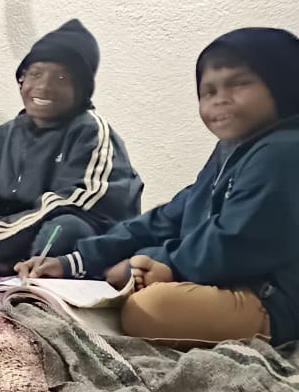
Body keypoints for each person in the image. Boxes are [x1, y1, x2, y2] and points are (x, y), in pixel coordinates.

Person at [18, 28, 299, 346]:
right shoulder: (232, 149)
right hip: (224, 279)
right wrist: (76, 262)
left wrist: (166, 265)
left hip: (273, 300)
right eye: (207, 91)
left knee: (146, 309)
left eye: (239, 84)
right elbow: (169, 217)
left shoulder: (283, 150)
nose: (220, 99)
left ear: (283, 83)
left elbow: (236, 240)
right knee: (125, 287)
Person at [0, 20, 143, 273]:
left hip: (71, 242)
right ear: (21, 79)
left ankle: (1, 265)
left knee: (63, 231)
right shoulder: (3, 134)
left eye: (61, 78)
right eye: (35, 74)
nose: (43, 86)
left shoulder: (92, 131)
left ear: (82, 90)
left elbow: (70, 204)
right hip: (7, 236)